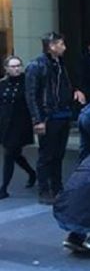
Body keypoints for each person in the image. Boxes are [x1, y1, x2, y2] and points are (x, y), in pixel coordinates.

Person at [25, 32, 86, 204]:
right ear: (52, 46)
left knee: (58, 154)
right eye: (61, 44)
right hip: (48, 116)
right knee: (47, 155)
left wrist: (75, 91)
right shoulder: (37, 65)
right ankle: (45, 190)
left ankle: (57, 188)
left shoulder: (60, 64)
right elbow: (31, 95)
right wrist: (38, 120)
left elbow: (64, 86)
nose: (64, 47)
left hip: (62, 114)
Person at [0, 56, 36, 198]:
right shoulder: (2, 84)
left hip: (20, 124)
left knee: (9, 154)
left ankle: (4, 188)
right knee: (14, 154)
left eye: (18, 66)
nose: (16, 69)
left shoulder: (27, 82)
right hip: (4, 123)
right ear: (6, 69)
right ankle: (31, 173)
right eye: (13, 66)